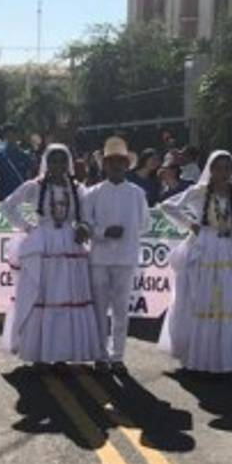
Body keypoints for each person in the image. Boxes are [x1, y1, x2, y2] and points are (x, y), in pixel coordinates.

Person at [160, 150, 232, 374]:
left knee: (230, 301)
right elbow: (168, 206)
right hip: (205, 249)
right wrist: (192, 225)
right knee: (206, 299)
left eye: (228, 168)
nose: (223, 172)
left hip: (230, 250)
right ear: (210, 169)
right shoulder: (198, 192)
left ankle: (226, 357)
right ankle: (204, 357)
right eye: (219, 168)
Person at [1, 144, 101, 367]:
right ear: (46, 162)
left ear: (69, 163)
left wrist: (84, 226)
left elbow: (86, 217)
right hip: (43, 244)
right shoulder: (34, 186)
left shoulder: (77, 188)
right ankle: (40, 354)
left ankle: (61, 355)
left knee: (66, 297)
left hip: (69, 245)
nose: (58, 165)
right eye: (53, 160)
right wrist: (28, 228)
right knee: (41, 296)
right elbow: (8, 206)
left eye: (62, 160)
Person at [84, 137, 151, 373]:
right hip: (100, 258)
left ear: (126, 164)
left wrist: (128, 233)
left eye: (120, 162)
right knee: (100, 309)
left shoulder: (137, 193)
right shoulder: (92, 193)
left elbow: (145, 224)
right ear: (104, 164)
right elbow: (84, 224)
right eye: (111, 161)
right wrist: (103, 232)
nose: (116, 166)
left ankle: (118, 356)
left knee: (122, 310)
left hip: (125, 258)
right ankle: (101, 355)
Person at [0, 125, 33, 202]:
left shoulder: (25, 156)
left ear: (17, 136)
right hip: (4, 195)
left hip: (21, 195)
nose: (10, 138)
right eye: (8, 135)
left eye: (13, 135)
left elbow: (28, 178)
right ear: (4, 137)